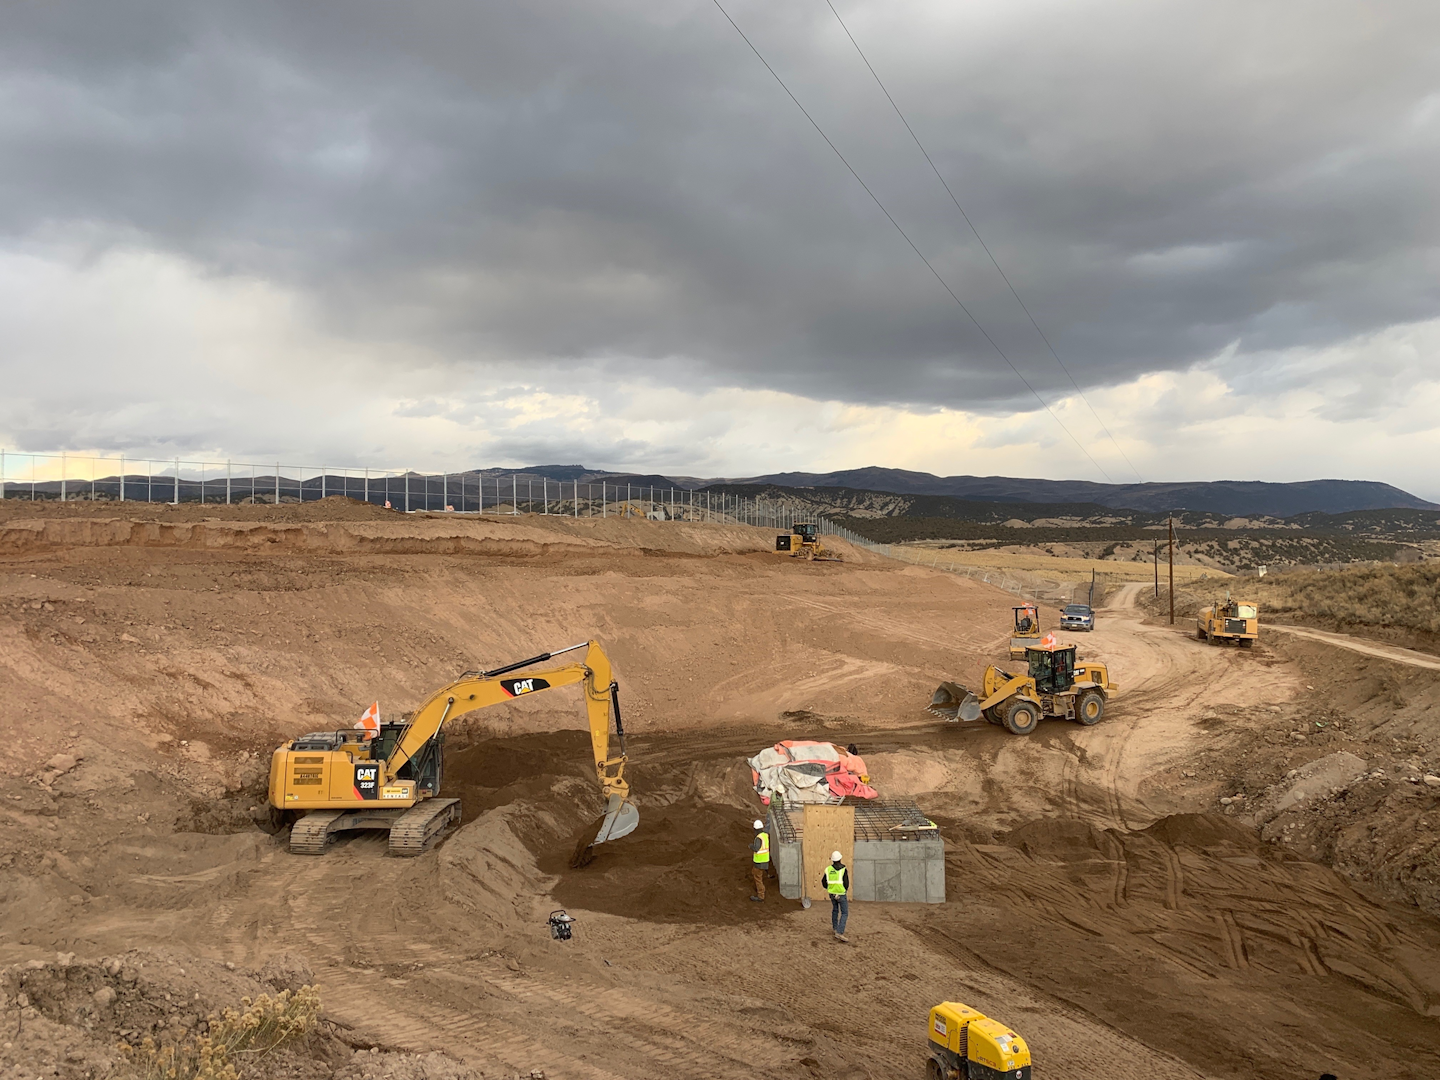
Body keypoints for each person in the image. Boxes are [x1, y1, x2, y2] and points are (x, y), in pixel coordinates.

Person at [821, 850, 850, 941]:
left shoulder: (828, 869)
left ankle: (835, 928)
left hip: (832, 894)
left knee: (835, 910)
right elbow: (846, 883)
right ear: (840, 859)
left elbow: (823, 882)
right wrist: (844, 890)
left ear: (832, 860)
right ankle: (839, 932)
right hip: (841, 894)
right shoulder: (843, 869)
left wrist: (830, 888)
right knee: (844, 913)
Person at [749, 818, 770, 901]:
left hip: (759, 862)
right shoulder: (765, 835)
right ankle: (760, 889)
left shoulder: (758, 838)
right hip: (765, 860)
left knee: (758, 878)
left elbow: (756, 848)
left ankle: (761, 895)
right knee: (755, 873)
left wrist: (751, 846)